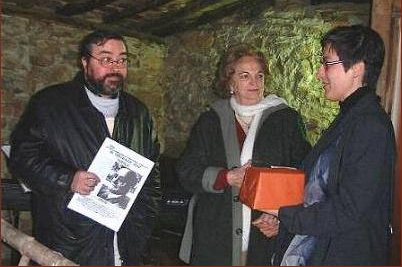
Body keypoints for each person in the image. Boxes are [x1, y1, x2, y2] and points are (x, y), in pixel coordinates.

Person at [8, 30, 161, 266]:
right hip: (68, 241)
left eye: (122, 60)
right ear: (84, 62)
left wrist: (143, 225)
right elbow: (22, 158)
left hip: (125, 241)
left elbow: (152, 176)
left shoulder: (139, 113)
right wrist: (67, 179)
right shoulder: (50, 104)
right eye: (105, 58)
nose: (115, 66)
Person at [264, 25, 396, 266]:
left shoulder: (369, 125)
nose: (319, 74)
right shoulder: (351, 117)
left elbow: (350, 209)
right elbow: (321, 189)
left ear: (357, 69)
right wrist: (283, 218)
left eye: (327, 64)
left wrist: (286, 213)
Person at [176, 45, 311, 266]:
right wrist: (226, 177)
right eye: (245, 76)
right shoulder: (210, 121)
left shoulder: (286, 120)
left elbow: (303, 173)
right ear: (230, 83)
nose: (254, 82)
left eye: (259, 75)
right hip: (216, 233)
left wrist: (280, 216)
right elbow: (186, 171)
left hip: (263, 233)